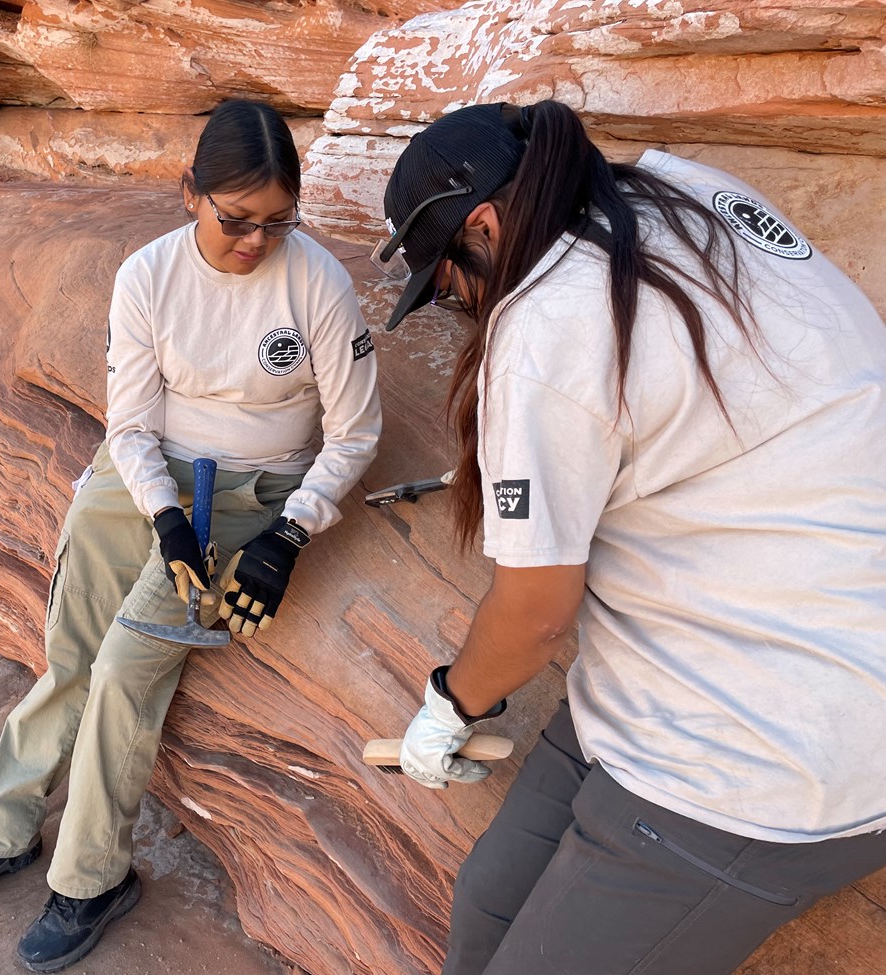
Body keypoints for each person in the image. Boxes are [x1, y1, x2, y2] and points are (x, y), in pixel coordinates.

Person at [375, 100, 886, 975]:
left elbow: (536, 613)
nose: (456, 302)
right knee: (486, 904)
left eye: (449, 280)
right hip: (713, 645)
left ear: (486, 225)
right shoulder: (680, 192)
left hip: (773, 743)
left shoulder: (545, 324)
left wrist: (450, 705)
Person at [0, 98, 381, 973]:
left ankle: (92, 877)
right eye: (236, 220)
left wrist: (289, 535)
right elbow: (129, 426)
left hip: (258, 485)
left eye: (277, 223)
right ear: (189, 194)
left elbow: (355, 435)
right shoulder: (148, 276)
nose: (255, 243)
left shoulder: (318, 283)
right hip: (146, 475)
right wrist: (166, 516)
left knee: (128, 663)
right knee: (71, 647)